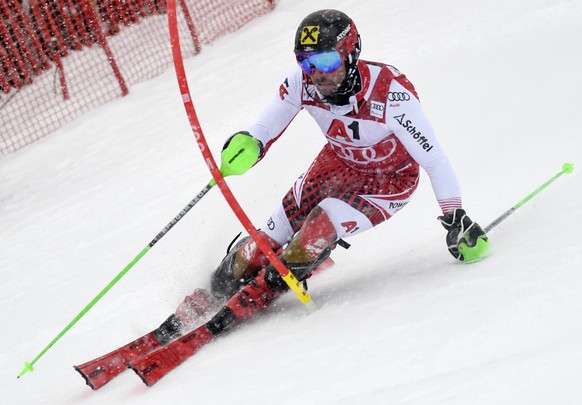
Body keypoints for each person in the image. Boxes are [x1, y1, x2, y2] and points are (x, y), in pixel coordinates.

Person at [155, 9, 489, 343]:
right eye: (306, 62)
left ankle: (266, 288)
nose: (317, 74)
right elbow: (266, 127)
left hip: (388, 182)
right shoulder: (302, 84)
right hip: (335, 165)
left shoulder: (391, 93)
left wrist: (455, 217)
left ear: (350, 52)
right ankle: (216, 289)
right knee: (260, 247)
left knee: (318, 226)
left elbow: (434, 160)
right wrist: (250, 144)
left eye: (327, 61)